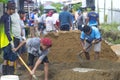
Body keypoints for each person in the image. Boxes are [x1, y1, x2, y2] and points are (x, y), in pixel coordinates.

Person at [0, 1, 16, 75]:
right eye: (13, 9)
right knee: (12, 58)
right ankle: (10, 76)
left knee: (5, 58)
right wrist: (11, 42)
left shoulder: (2, 17)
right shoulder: (8, 18)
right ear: (9, 9)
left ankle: (4, 75)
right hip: (7, 42)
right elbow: (7, 31)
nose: (14, 11)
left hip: (2, 42)